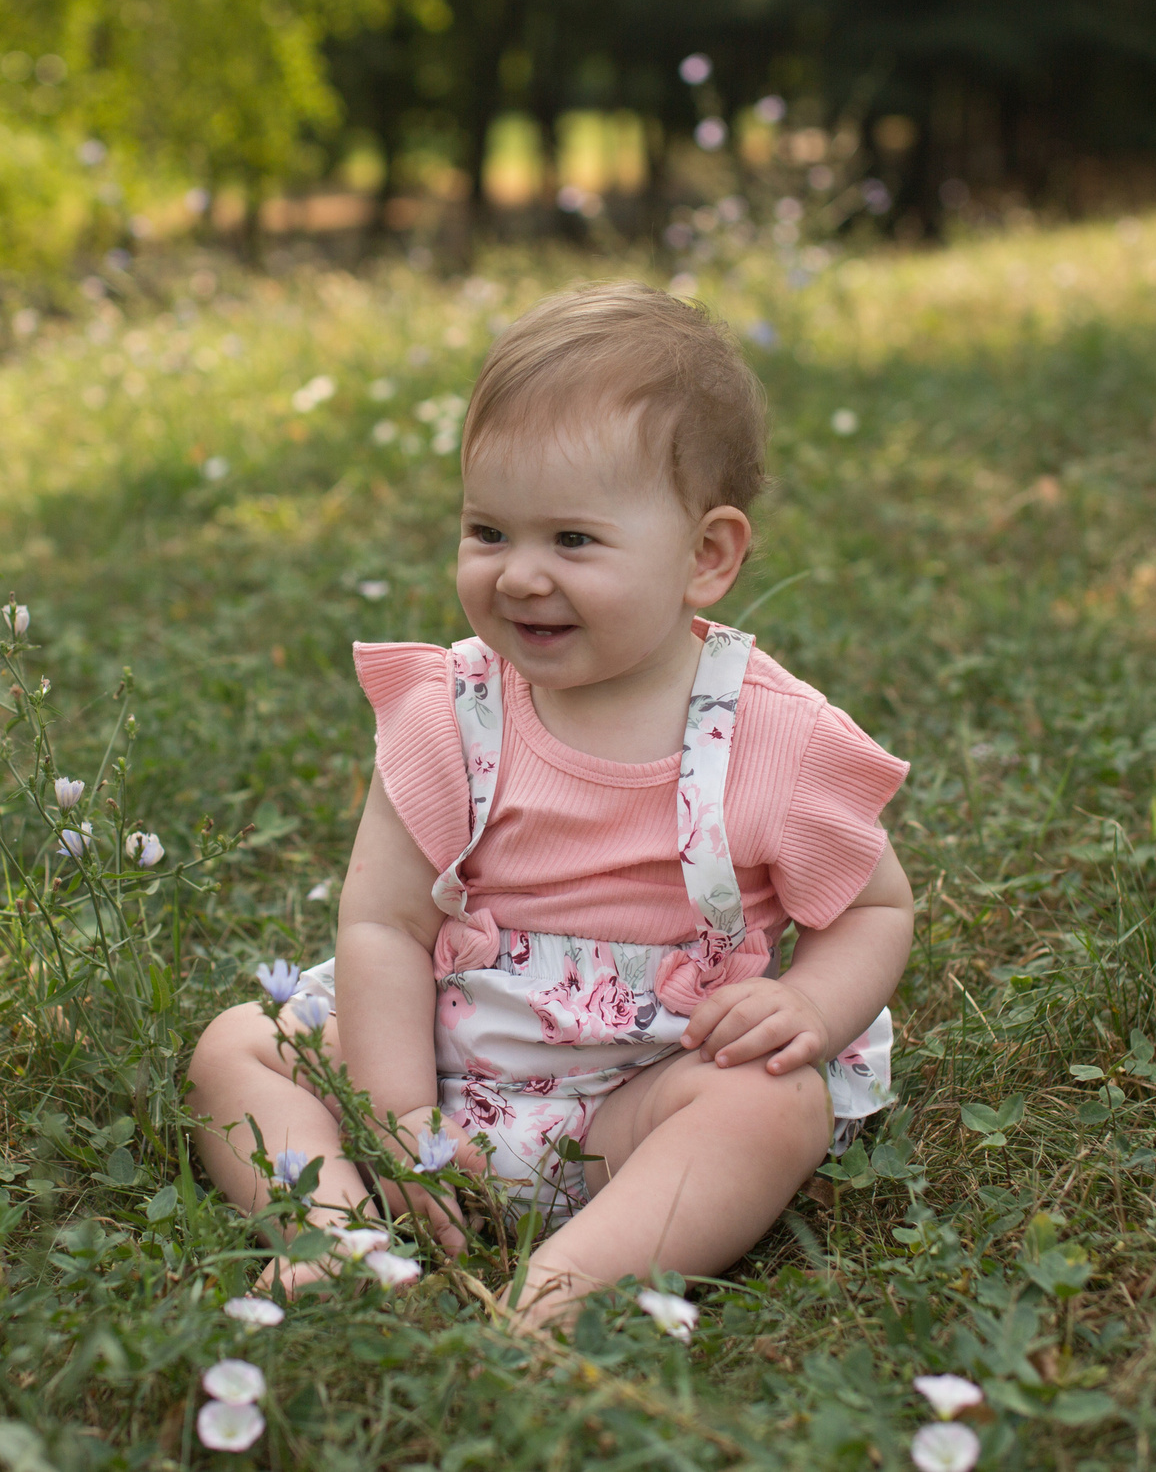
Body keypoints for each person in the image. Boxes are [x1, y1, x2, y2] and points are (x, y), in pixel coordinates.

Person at [185, 281, 914, 1334]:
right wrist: (400, 1118)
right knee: (240, 1045)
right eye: (488, 530)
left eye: (572, 540)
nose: (521, 575)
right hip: (442, 1073)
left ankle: (565, 1287)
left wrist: (809, 1006)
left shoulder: (774, 736)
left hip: (641, 1102)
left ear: (705, 556)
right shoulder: (449, 711)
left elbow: (875, 908)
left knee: (771, 1103)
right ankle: (333, 1237)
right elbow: (383, 922)